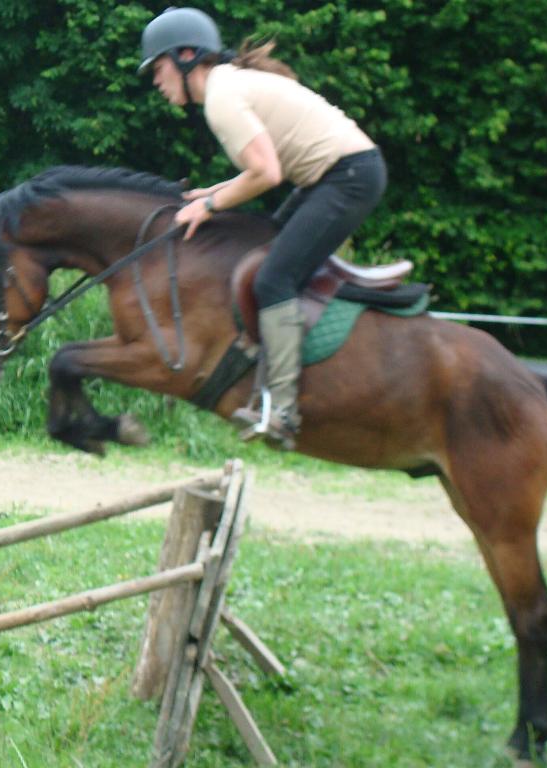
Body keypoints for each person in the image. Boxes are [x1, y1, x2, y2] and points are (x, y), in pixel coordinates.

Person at [139, 7, 387, 450]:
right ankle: (270, 366)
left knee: (274, 277)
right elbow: (263, 170)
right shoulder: (228, 85)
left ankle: (284, 411)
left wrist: (210, 205)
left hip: (347, 177)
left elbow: (267, 173)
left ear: (186, 56)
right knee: (268, 247)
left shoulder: (221, 98)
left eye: (157, 68)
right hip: (340, 175)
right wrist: (216, 194)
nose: (155, 81)